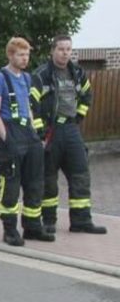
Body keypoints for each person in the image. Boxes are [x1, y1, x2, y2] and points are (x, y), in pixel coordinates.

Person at [30, 35, 106, 234]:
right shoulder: (41, 75)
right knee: (48, 179)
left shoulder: (78, 72)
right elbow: (32, 104)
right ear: (52, 51)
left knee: (80, 174)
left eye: (68, 49)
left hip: (71, 130)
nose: (65, 53)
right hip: (51, 130)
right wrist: (40, 131)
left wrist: (79, 116)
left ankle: (81, 220)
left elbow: (87, 95)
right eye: (61, 49)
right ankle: (48, 221)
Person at [0, 37, 53, 246]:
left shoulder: (26, 78)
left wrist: (35, 134)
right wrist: (7, 139)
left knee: (35, 183)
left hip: (28, 133)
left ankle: (32, 227)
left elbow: (28, 106)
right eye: (21, 55)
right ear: (10, 55)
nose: (25, 59)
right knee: (11, 185)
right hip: (11, 132)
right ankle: (9, 229)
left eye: (27, 55)